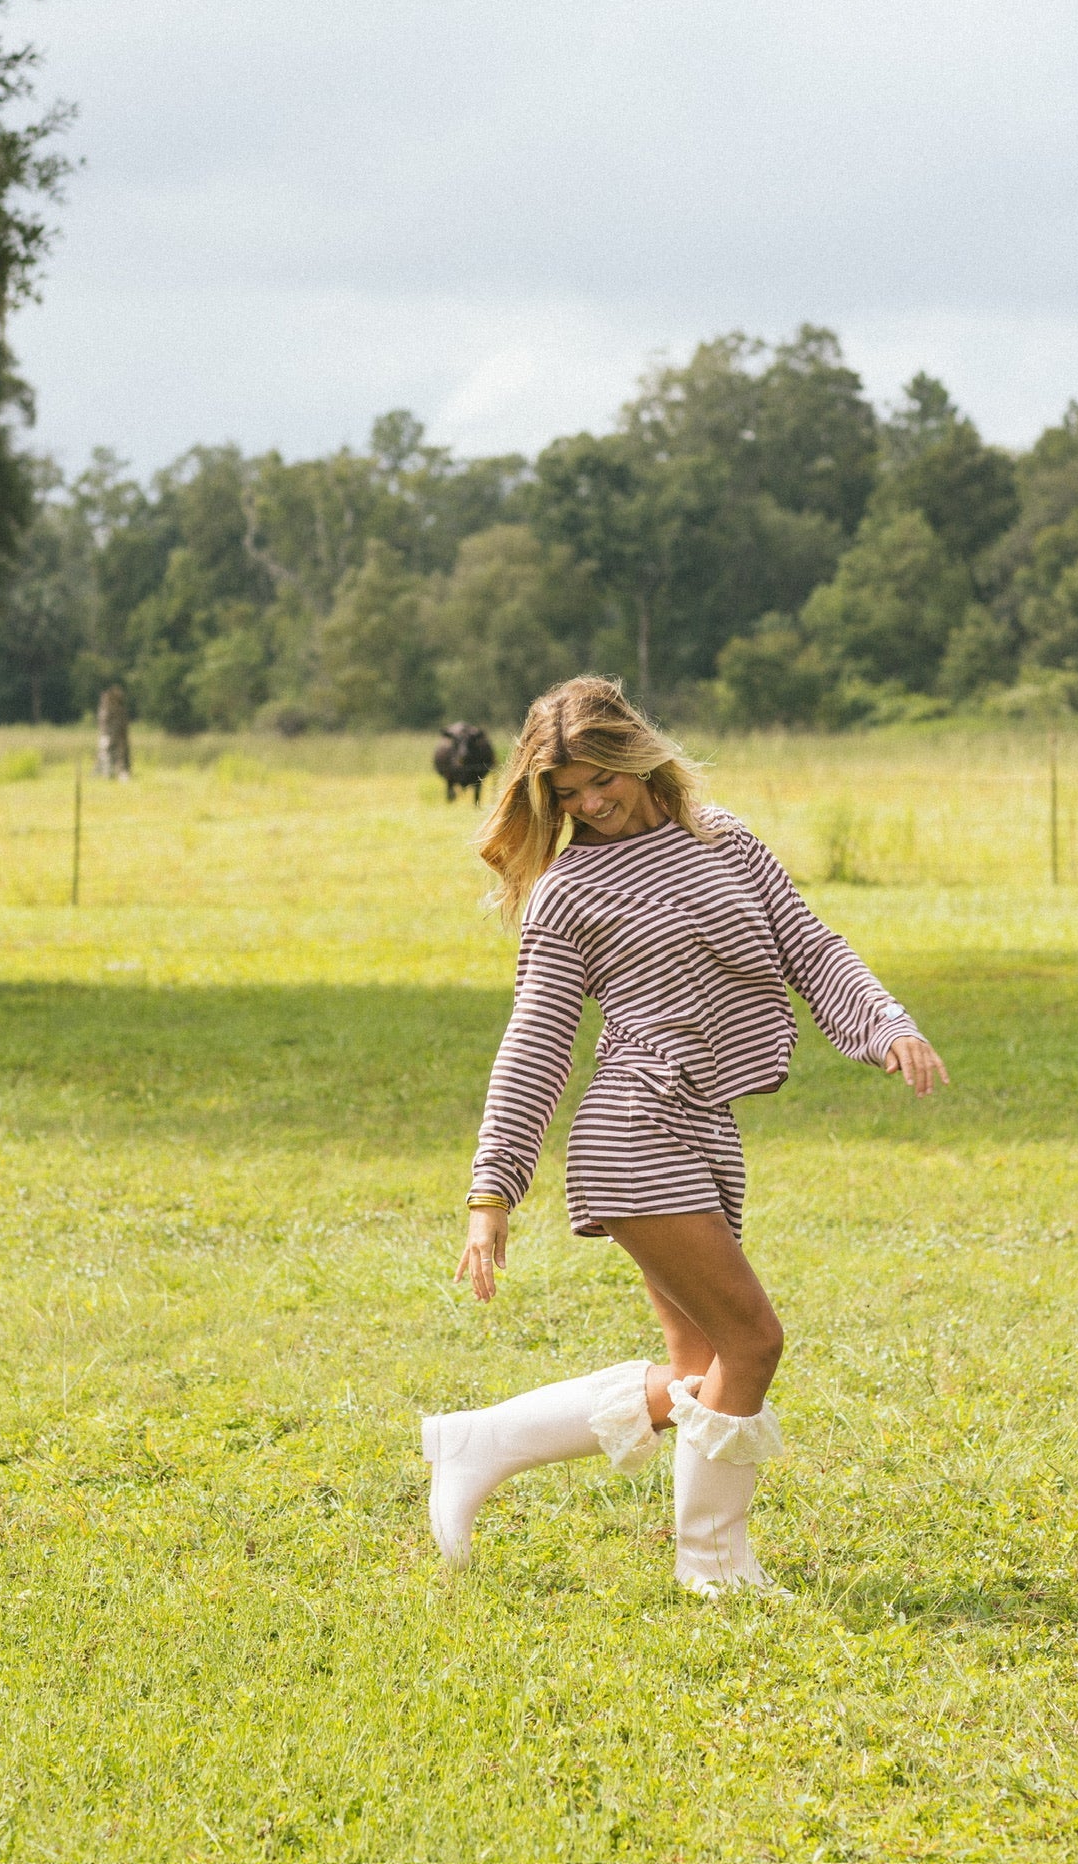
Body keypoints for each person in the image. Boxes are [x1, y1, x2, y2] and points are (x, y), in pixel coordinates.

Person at [421, 676, 947, 1594]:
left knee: (699, 1370)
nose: (591, 804)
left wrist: (884, 1023)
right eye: (568, 793)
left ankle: (483, 1441)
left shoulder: (722, 840)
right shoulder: (566, 892)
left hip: (704, 1126)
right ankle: (713, 1566)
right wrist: (491, 1189)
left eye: (603, 779)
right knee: (754, 1344)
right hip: (634, 1130)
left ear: (640, 754)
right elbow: (536, 1042)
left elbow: (809, 946)